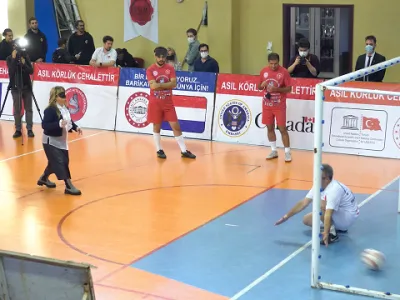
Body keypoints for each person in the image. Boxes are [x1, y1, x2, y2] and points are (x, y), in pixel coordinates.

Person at [274, 164, 359, 246]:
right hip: (340, 214)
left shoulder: (334, 190)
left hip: (347, 217)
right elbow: (304, 202)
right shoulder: (320, 185)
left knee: (321, 204)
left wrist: (326, 232)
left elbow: (328, 213)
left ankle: (332, 235)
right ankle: (337, 228)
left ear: (326, 179)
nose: (315, 178)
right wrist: (286, 216)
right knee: (307, 219)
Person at [146, 46, 196, 159]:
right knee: (156, 126)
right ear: (155, 56)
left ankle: (183, 151)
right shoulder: (150, 69)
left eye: (163, 57)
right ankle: (159, 149)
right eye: (159, 57)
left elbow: (173, 84)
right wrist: (164, 85)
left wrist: (159, 85)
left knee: (176, 126)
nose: (161, 59)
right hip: (155, 102)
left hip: (168, 103)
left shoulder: (170, 68)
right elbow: (153, 86)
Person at [37, 86, 82, 196]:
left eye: (64, 95)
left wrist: (75, 127)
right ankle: (68, 185)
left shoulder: (64, 109)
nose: (65, 97)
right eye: (62, 95)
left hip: (61, 141)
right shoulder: (50, 110)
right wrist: (58, 124)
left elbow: (69, 122)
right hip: (50, 141)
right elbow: (45, 125)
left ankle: (43, 178)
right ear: (55, 97)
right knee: (61, 162)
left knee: (56, 163)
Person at [258, 52, 292, 162]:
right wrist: (261, 86)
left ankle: (287, 152)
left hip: (279, 105)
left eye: (276, 64)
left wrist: (276, 89)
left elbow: (289, 89)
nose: (273, 66)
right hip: (267, 105)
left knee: (282, 129)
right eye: (271, 64)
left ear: (279, 62)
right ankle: (274, 150)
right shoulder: (263, 71)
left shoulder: (284, 72)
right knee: (269, 127)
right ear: (268, 62)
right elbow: (258, 87)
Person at [6, 39, 34, 138]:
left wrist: (23, 63)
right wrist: (14, 59)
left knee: (29, 109)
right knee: (17, 109)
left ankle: (29, 129)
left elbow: (31, 71)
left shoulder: (25, 56)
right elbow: (11, 72)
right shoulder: (9, 58)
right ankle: (18, 129)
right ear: (13, 47)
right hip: (15, 87)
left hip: (26, 86)